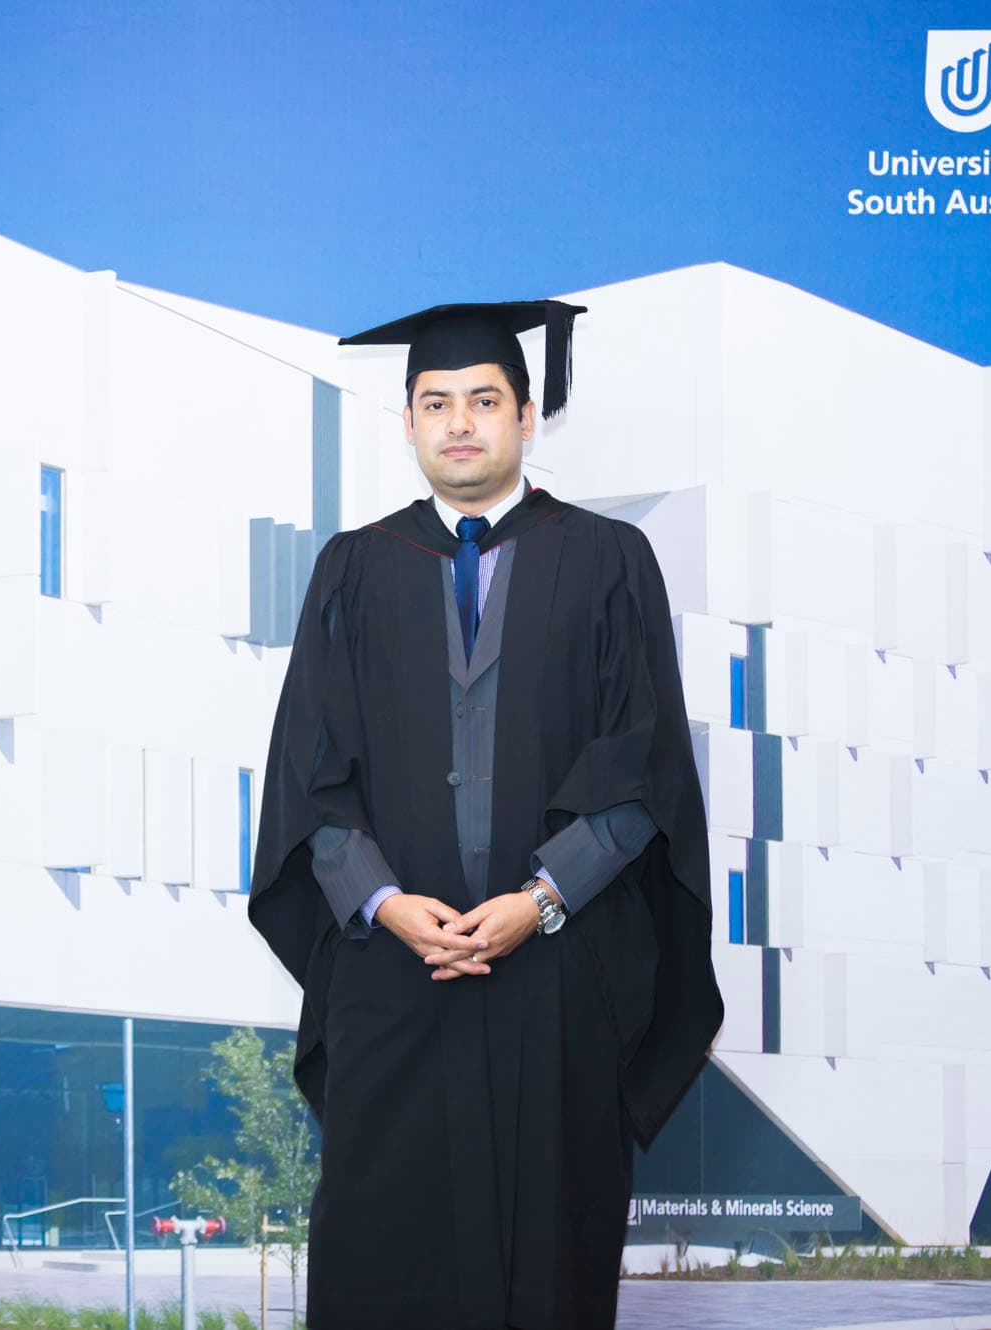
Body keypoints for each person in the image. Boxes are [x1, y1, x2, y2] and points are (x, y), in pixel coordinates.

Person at [248, 299, 724, 1330]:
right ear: (410, 424)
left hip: (553, 979)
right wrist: (380, 900)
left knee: (549, 1256)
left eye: (482, 400)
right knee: (383, 1258)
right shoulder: (353, 567)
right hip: (393, 978)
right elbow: (308, 774)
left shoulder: (607, 561)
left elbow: (642, 766)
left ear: (525, 416)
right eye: (435, 403)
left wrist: (542, 899)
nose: (459, 423)